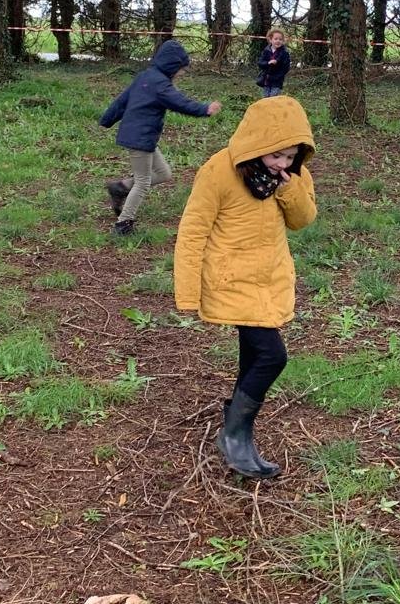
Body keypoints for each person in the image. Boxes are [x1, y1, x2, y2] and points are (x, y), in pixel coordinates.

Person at [174, 95, 316, 480]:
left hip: (270, 277)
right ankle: (235, 433)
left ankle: (236, 424)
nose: (282, 163)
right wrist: (187, 292)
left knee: (254, 355)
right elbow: (193, 231)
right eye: (276, 155)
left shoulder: (292, 175)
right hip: (231, 279)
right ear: (256, 143)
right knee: (272, 357)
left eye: (290, 156)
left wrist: (288, 187)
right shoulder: (218, 171)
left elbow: (303, 220)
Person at [100, 39, 220, 238]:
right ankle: (123, 224)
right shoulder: (160, 85)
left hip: (142, 136)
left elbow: (121, 101)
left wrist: (107, 119)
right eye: (181, 69)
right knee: (143, 182)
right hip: (140, 137)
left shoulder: (146, 76)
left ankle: (120, 188)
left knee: (164, 174)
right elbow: (179, 102)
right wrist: (204, 109)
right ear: (172, 65)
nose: (182, 73)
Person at [257, 28, 291, 98]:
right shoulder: (266, 51)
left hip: (277, 81)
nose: (278, 41)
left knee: (273, 98)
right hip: (266, 80)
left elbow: (286, 68)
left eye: (280, 39)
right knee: (266, 98)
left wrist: (277, 64)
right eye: (276, 39)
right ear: (270, 40)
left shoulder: (284, 53)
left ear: (283, 41)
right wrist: (268, 63)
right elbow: (260, 63)